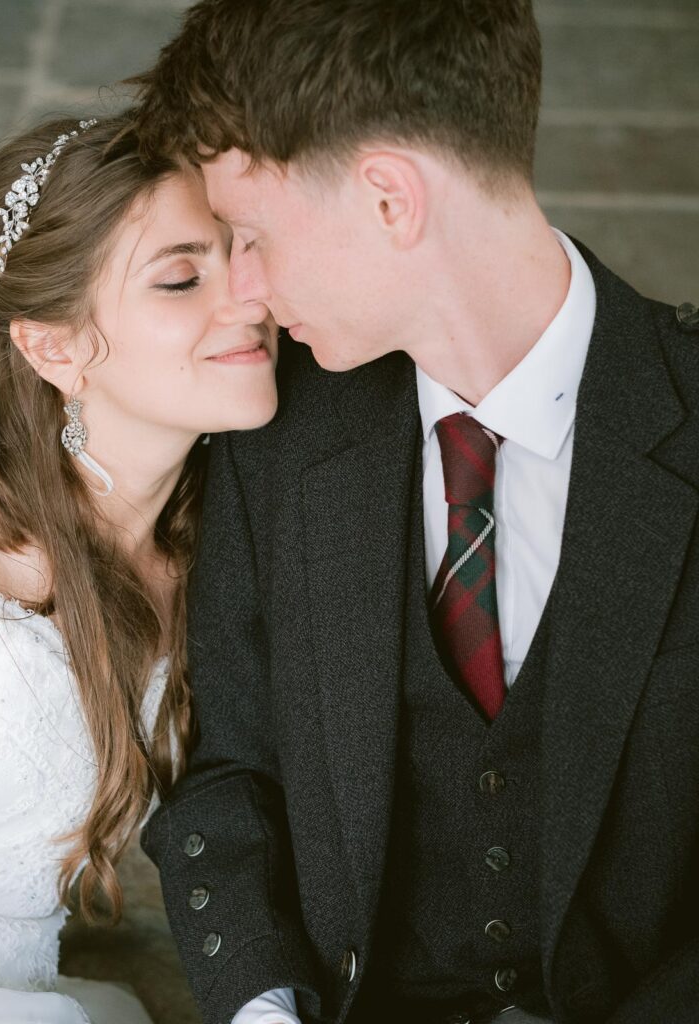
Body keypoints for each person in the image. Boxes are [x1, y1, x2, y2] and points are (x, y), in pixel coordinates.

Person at [132, 1, 699, 1023]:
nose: (247, 291)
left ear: (391, 199)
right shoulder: (278, 433)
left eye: (251, 235)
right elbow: (228, 773)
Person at [0, 110, 278, 1024]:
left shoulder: (224, 530)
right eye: (179, 279)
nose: (248, 299)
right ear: (55, 346)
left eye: (241, 254)